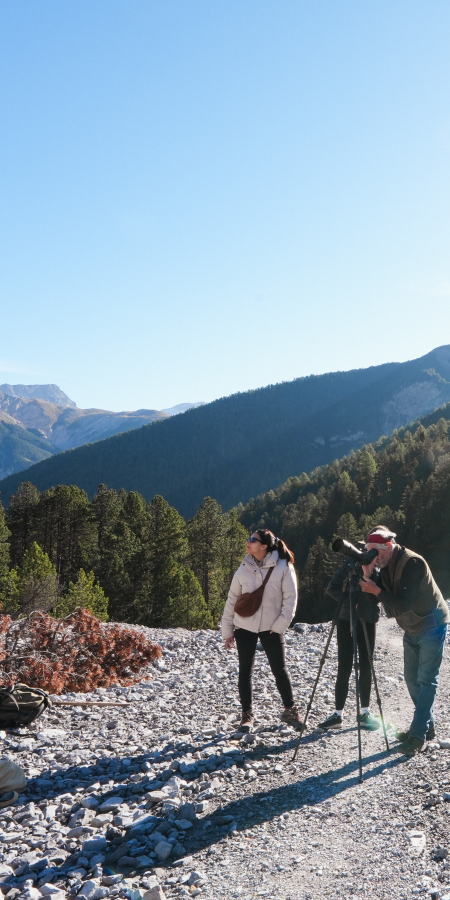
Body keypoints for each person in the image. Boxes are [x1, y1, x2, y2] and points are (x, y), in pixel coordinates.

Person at [359, 526, 450, 757]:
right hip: (411, 627)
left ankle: (417, 736)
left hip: (432, 624)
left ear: (387, 547)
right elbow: (372, 602)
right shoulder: (385, 565)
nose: (373, 557)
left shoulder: (412, 563)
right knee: (411, 680)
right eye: (368, 552)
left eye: (374, 553)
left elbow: (404, 603)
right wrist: (368, 576)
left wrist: (376, 589)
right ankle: (427, 729)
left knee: (426, 680)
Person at [221, 529, 302, 731]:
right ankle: (247, 716)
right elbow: (232, 600)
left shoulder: (283, 566)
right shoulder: (243, 567)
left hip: (272, 627)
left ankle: (290, 710)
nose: (247, 542)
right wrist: (228, 630)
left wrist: (280, 626)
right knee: (245, 672)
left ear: (264, 546)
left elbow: (290, 600)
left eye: (252, 540)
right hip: (244, 625)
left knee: (279, 669)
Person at [318, 549, 381, 731]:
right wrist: (350, 601)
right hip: (347, 620)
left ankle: (363, 712)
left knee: (366, 664)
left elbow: (383, 591)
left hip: (368, 619)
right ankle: (340, 714)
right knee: (344, 666)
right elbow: (332, 587)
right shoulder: (352, 562)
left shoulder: (381, 564)